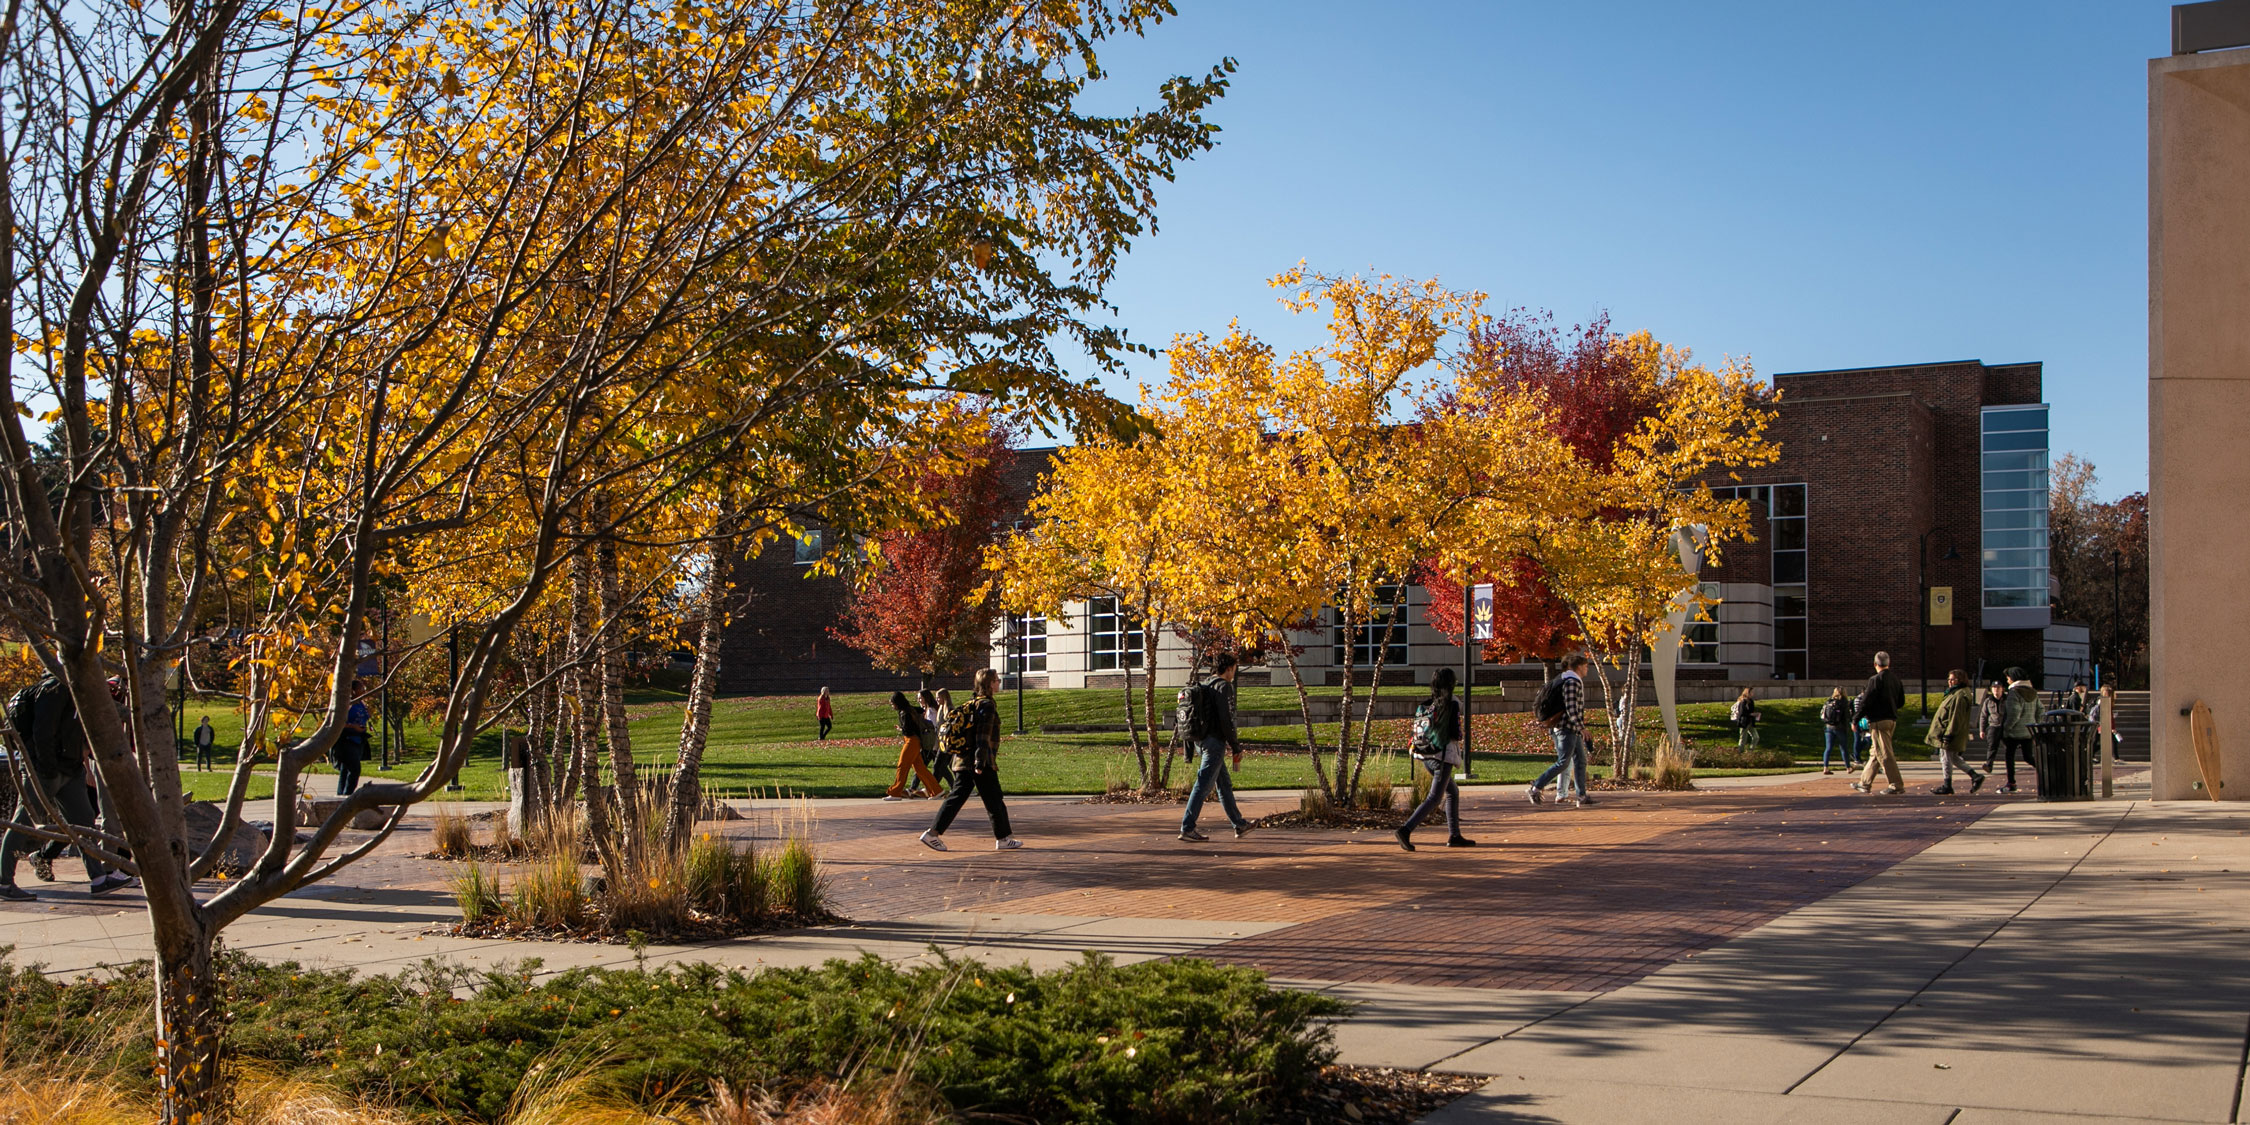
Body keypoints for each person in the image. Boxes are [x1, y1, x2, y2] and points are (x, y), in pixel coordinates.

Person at [0, 676, 129, 900]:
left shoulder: (78, 687)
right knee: (23, 822)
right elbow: (43, 730)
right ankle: (3, 882)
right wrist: (48, 769)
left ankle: (98, 879)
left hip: (70, 769)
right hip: (46, 770)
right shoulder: (54, 688)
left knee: (84, 822)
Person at [919, 668, 1020, 851]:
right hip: (979, 761)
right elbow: (983, 736)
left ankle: (933, 833)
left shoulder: (973, 703)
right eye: (997, 680)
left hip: (962, 760)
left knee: (963, 798)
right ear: (989, 683)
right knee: (994, 799)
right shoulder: (987, 705)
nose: (999, 682)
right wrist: (980, 763)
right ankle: (1004, 838)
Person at [1397, 668, 1476, 851]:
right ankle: (1405, 830)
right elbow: (1455, 731)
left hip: (1426, 755)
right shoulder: (1452, 703)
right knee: (1434, 798)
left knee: (1452, 792)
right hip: (1443, 757)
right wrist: (1460, 735)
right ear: (1452, 683)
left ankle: (1455, 835)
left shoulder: (1428, 704)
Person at [1178, 654, 1254, 843]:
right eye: (1234, 669)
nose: (1234, 673)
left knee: (1224, 784)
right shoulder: (1223, 686)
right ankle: (1187, 828)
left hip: (1200, 741)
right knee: (1203, 784)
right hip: (1214, 743)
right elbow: (1225, 719)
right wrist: (1235, 746)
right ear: (1228, 669)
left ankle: (1239, 824)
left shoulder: (1205, 684)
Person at [1528, 654, 1594, 807]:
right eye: (1585, 666)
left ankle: (1581, 796)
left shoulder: (1564, 679)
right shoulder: (1572, 682)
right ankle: (1536, 787)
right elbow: (1572, 708)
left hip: (1569, 729)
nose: (1587, 669)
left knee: (1580, 761)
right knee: (1564, 762)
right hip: (1566, 728)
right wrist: (1581, 728)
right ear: (1578, 667)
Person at [1849, 651, 1907, 796]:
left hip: (1878, 721)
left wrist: (1855, 719)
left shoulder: (1875, 680)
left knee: (1884, 753)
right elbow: (1901, 702)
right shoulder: (1896, 679)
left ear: (1875, 664)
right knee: (1875, 753)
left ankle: (1896, 785)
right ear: (1889, 663)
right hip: (1891, 719)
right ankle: (1864, 783)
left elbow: (1865, 702)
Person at [1926, 669, 1985, 795]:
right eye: (1949, 679)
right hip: (1947, 730)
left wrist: (1949, 733)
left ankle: (1947, 784)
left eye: (1953, 679)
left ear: (1960, 680)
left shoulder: (1960, 695)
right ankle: (1975, 776)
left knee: (1946, 758)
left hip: (1950, 732)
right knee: (1953, 758)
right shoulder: (1954, 693)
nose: (1950, 682)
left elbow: (1956, 716)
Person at [883, 691, 941, 801]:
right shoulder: (911, 709)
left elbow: (908, 730)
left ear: (897, 703)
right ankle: (936, 790)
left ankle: (896, 792)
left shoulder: (904, 713)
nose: (892, 706)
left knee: (903, 765)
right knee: (919, 768)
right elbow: (920, 712)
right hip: (915, 741)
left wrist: (902, 729)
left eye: (892, 703)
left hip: (911, 741)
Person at [1995, 667, 2041, 794]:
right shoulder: (2033, 692)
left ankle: (2011, 783)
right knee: (2028, 757)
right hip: (2028, 731)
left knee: (2009, 757)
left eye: (2008, 678)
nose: (2007, 680)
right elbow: (2040, 710)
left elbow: (2014, 713)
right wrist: (2035, 723)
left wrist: (2006, 728)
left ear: (2013, 678)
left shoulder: (2014, 693)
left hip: (2014, 732)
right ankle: (2047, 771)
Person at [334, 691, 370, 795]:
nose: (363, 691)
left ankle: (341, 796)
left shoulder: (361, 703)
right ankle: (347, 796)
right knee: (354, 770)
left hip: (358, 740)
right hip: (347, 739)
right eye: (361, 688)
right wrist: (353, 727)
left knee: (346, 770)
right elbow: (337, 722)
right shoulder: (347, 704)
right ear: (354, 691)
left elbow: (364, 717)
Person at [1819, 688, 1856, 774]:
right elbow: (1847, 716)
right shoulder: (1844, 702)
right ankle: (1848, 767)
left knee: (1828, 748)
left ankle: (1825, 767)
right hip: (1840, 728)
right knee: (1843, 748)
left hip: (1828, 727)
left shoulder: (1828, 701)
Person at [1977, 681, 2008, 773]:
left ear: (2002, 689)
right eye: (1994, 688)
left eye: (1998, 687)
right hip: (1993, 726)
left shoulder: (2008, 700)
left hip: (2005, 726)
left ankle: (2009, 766)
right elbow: (1983, 716)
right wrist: (1982, 730)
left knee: (2008, 747)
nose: (1996, 690)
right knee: (1992, 746)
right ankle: (1989, 765)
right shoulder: (1988, 701)